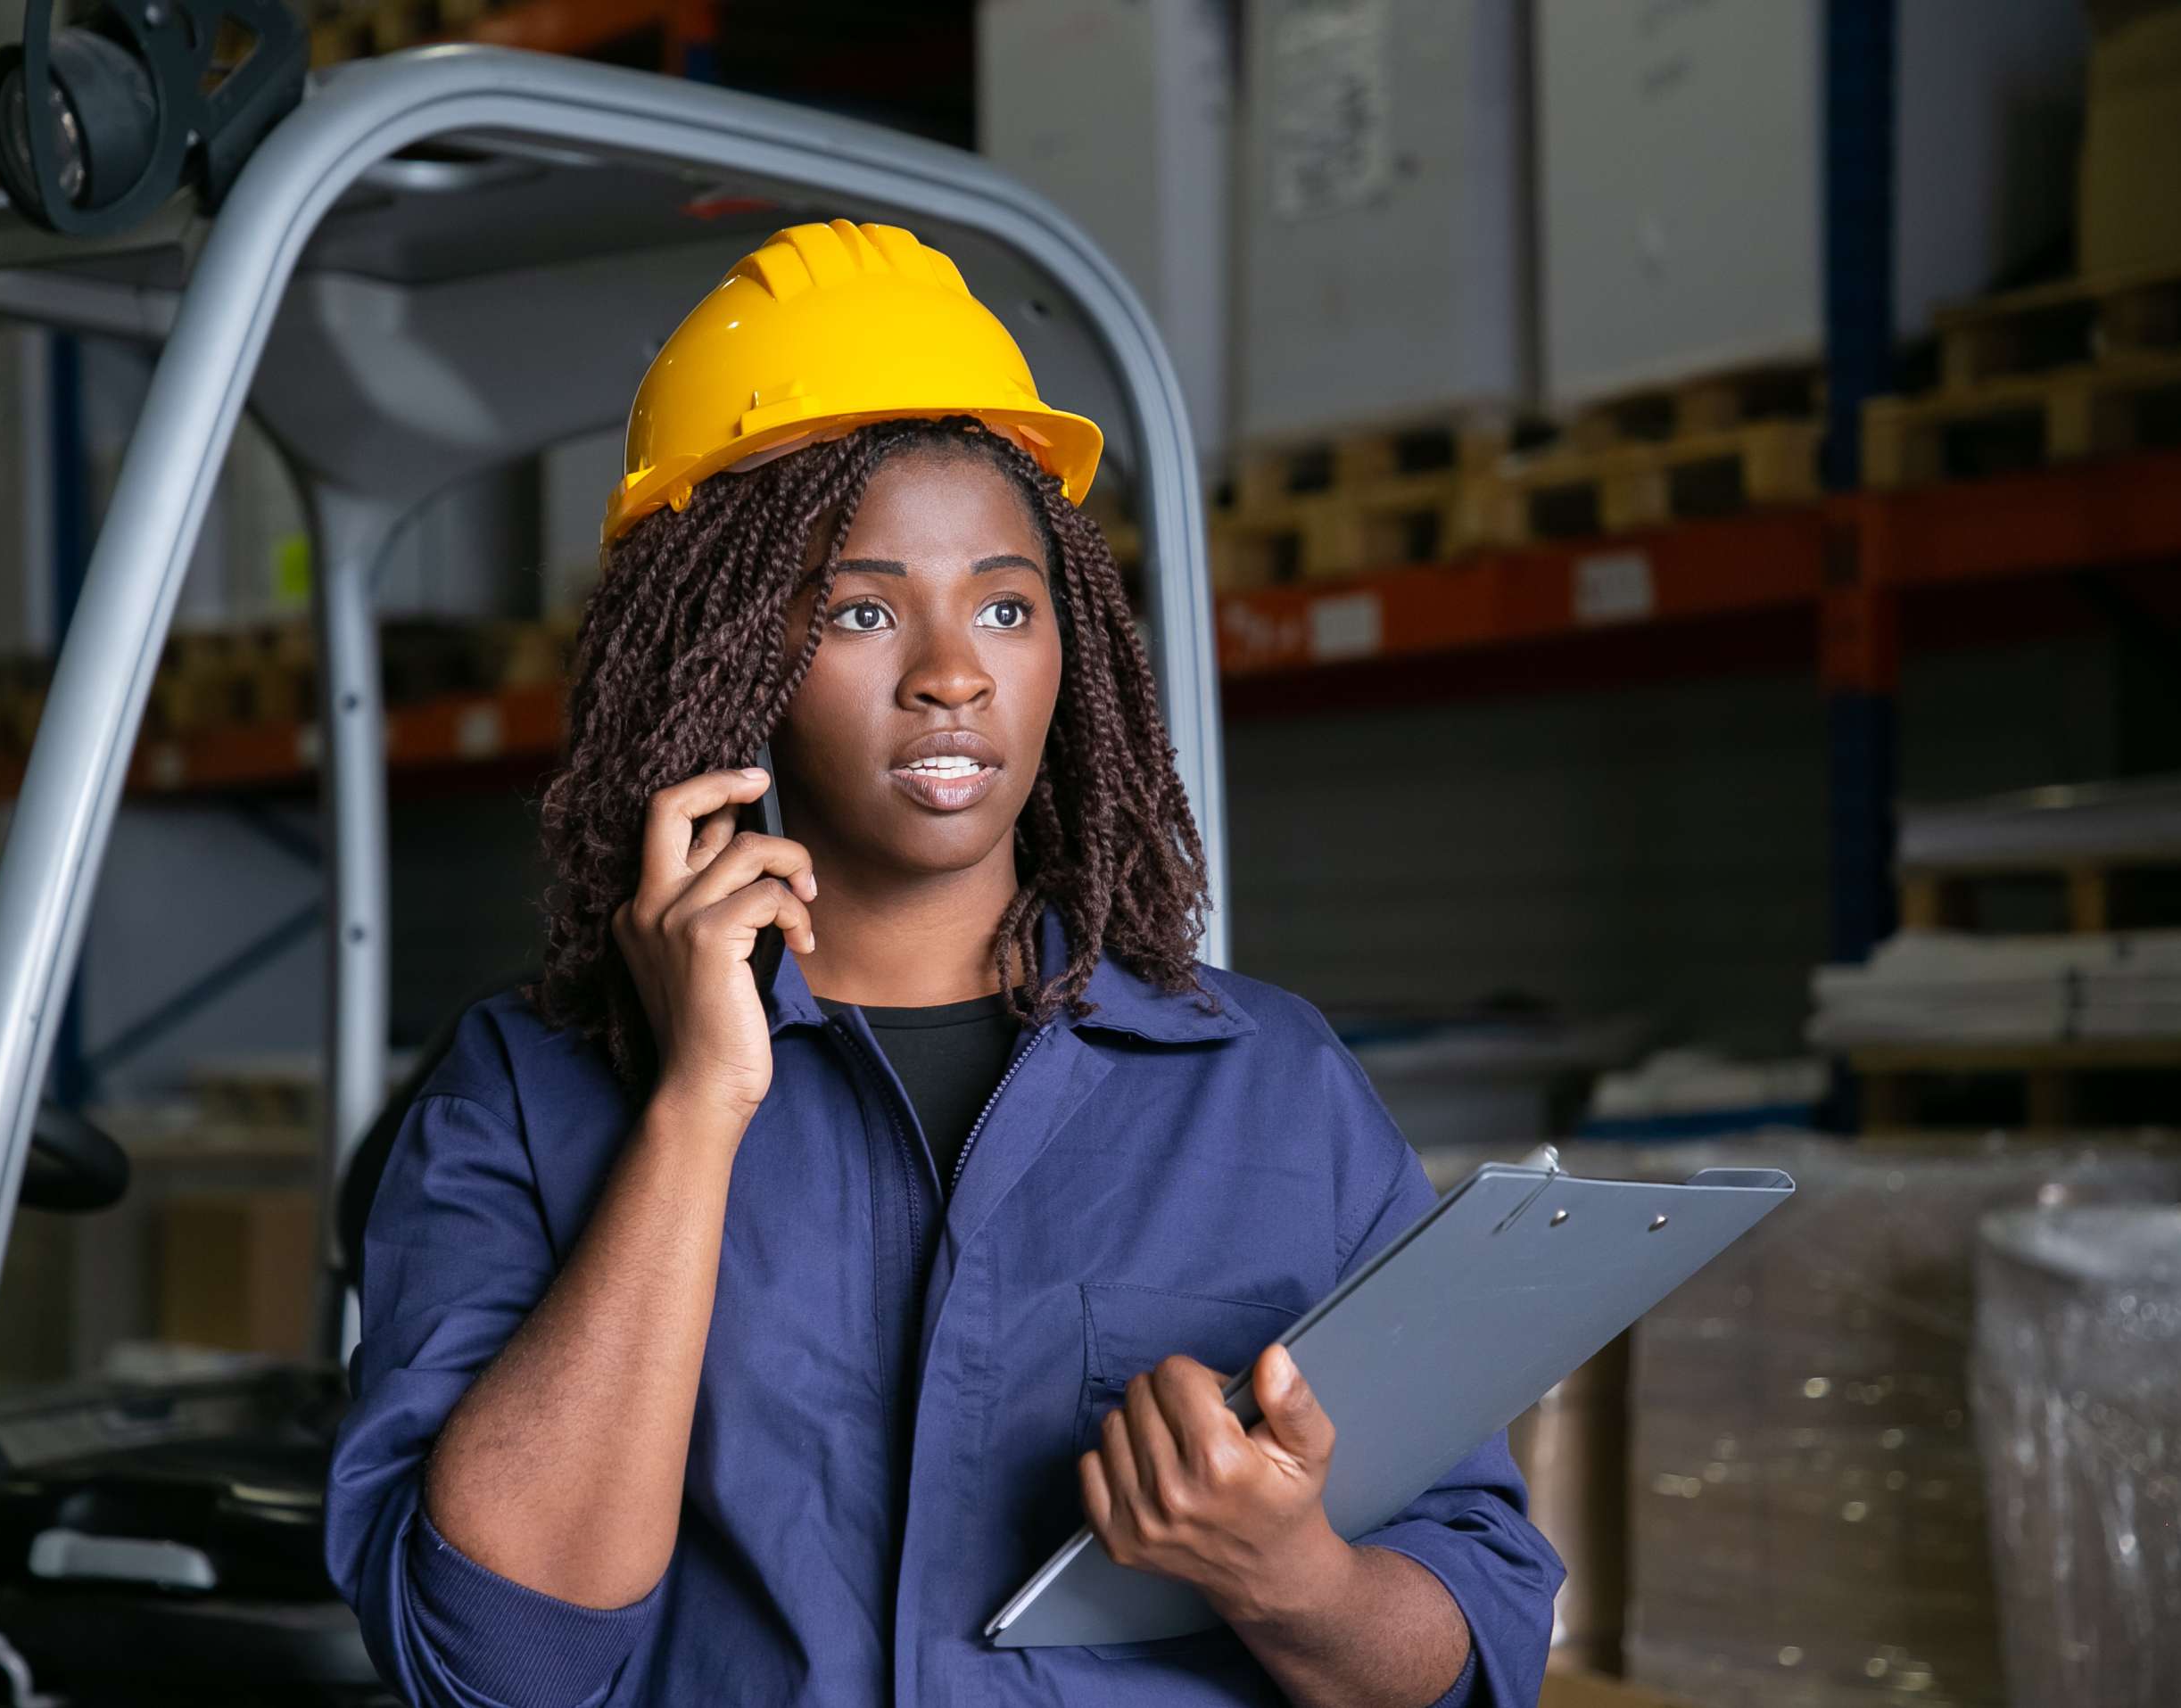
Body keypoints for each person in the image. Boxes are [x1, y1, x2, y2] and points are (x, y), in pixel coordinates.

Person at [326, 219, 1561, 1707]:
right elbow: (497, 1663)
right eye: (859, 610)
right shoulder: (527, 1092)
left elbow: (1478, 1648)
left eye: (1004, 604)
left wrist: (1289, 1579)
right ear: (728, 660)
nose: (952, 670)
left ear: (1069, 649)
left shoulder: (1271, 1090)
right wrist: (699, 1107)